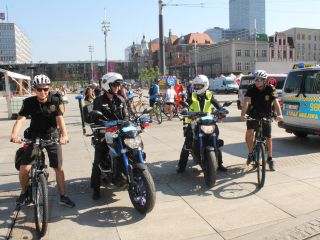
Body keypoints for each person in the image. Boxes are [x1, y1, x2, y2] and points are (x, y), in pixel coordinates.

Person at [10, 74, 75, 208]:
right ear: (34, 90)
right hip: (34, 136)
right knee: (24, 169)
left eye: (45, 89)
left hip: (52, 135)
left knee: (59, 168)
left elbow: (59, 120)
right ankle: (26, 192)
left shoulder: (55, 100)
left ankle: (63, 196)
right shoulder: (28, 102)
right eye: (39, 89)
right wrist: (14, 134)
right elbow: (21, 119)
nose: (43, 92)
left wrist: (64, 136)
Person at [176, 75, 227, 173]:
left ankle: (219, 164)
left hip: (208, 120)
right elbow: (187, 103)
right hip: (194, 120)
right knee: (188, 143)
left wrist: (221, 109)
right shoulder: (192, 95)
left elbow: (216, 103)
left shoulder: (209, 94)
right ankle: (181, 166)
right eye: (196, 86)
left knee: (216, 140)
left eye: (199, 86)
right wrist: (185, 110)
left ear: (205, 85)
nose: (197, 88)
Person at [91, 72, 128, 200]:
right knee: (98, 159)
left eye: (118, 85)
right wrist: (104, 124)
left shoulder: (121, 100)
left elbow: (126, 116)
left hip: (120, 132)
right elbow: (96, 119)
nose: (117, 88)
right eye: (114, 85)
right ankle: (95, 188)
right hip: (104, 133)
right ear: (107, 85)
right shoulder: (99, 101)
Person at [240, 70, 283, 171]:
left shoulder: (270, 88)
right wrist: (243, 114)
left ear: (264, 81)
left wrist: (279, 114)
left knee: (268, 137)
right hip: (253, 114)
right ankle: (250, 154)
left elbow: (276, 102)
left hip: (266, 114)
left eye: (259, 79)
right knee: (249, 133)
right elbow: (246, 102)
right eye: (255, 79)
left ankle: (270, 159)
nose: (256, 81)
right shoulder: (251, 88)